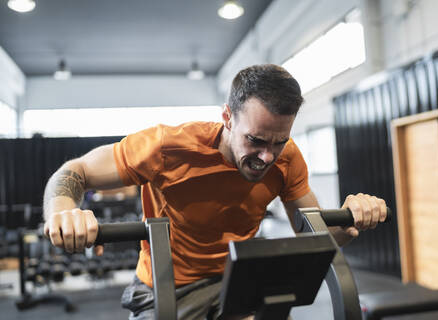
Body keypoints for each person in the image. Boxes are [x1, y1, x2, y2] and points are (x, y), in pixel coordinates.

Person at [43, 64, 387, 320]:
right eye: (255, 140)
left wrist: (354, 216)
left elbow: (315, 236)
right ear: (227, 117)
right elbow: (76, 171)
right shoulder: (167, 147)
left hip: (237, 281)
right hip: (165, 285)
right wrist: (63, 212)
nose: (267, 157)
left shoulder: (288, 159)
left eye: (278, 142)